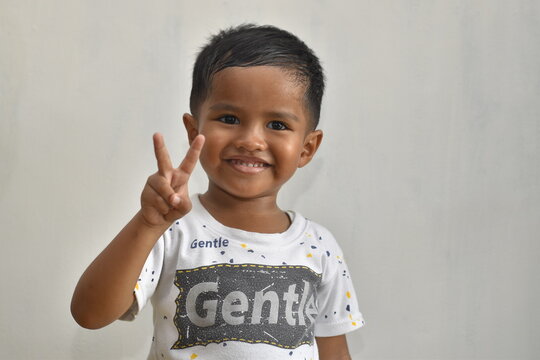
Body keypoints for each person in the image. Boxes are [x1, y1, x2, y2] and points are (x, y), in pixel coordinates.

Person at [71, 24, 365, 360]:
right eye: (229, 118)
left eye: (277, 125)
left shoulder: (320, 247)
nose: (251, 140)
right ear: (194, 130)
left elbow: (334, 352)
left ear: (306, 148)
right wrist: (147, 224)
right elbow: (89, 314)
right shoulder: (171, 229)